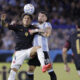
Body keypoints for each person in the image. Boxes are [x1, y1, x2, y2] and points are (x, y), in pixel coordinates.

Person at [1, 13, 49, 80]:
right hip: (19, 52)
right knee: (13, 72)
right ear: (22, 20)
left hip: (29, 51)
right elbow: (4, 25)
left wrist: (35, 30)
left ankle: (43, 66)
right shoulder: (17, 26)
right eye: (25, 18)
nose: (26, 20)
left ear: (31, 20)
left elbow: (45, 33)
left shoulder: (33, 27)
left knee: (38, 48)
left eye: (28, 18)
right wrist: (3, 20)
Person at [26, 11, 57, 80]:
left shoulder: (47, 24)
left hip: (44, 50)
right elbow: (29, 32)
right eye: (39, 16)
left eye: (42, 16)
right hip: (34, 51)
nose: (40, 17)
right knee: (30, 69)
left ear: (46, 18)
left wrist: (36, 31)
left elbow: (47, 34)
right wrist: (38, 31)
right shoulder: (33, 24)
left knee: (50, 70)